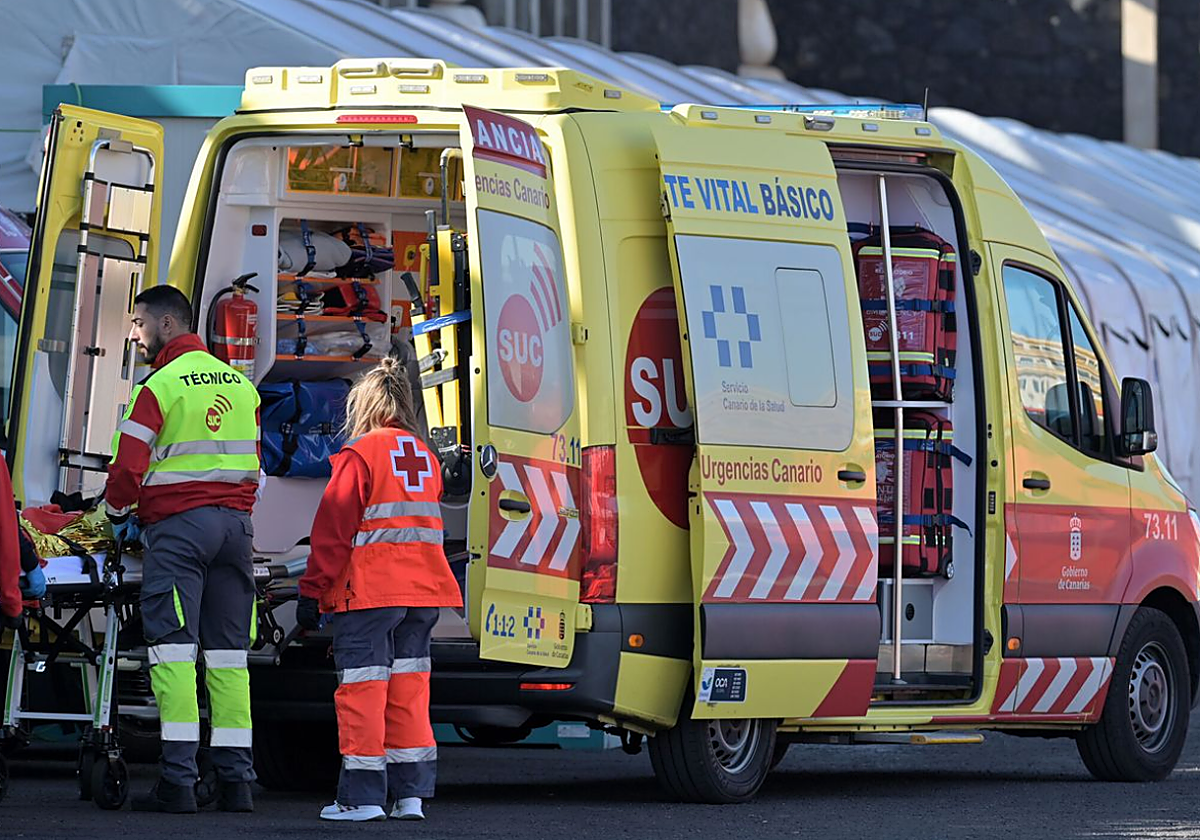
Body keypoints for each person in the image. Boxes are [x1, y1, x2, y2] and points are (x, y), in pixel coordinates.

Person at [105, 285, 261, 814]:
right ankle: (236, 783)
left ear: (167, 324)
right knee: (229, 659)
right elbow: (253, 466)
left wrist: (117, 517)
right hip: (235, 531)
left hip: (179, 532)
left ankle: (177, 782)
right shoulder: (241, 386)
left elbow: (127, 468)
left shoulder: (159, 387)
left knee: (173, 653)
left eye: (139, 322)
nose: (134, 334)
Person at [296, 357, 460, 822]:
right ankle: (411, 797)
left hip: (371, 594)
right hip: (422, 593)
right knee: (409, 692)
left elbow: (333, 532)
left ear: (362, 405)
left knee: (363, 691)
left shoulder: (361, 454)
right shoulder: (424, 456)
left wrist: (313, 591)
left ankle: (362, 798)